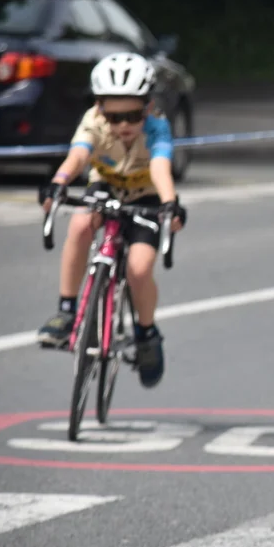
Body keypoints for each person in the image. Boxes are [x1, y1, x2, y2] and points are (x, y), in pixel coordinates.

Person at [36, 52, 185, 388]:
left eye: (132, 115)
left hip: (146, 197)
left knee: (139, 269)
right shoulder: (93, 121)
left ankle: (147, 333)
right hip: (105, 188)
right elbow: (78, 156)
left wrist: (170, 204)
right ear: (100, 108)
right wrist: (59, 183)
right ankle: (66, 311)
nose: (123, 126)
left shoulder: (157, 127)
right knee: (79, 224)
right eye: (114, 117)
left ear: (148, 107)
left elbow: (160, 168)